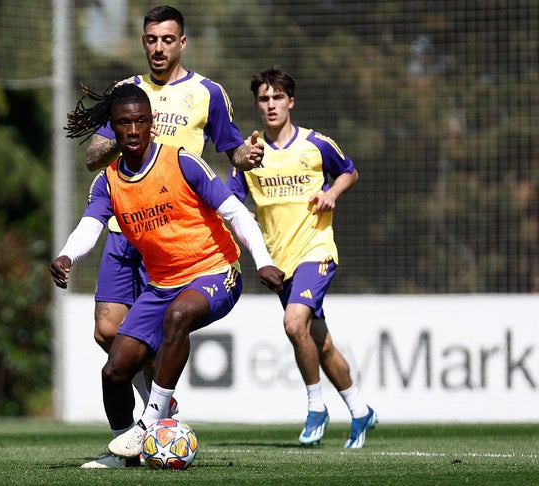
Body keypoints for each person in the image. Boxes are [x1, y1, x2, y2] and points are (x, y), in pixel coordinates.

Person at [55, 83, 284, 468]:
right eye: (123, 123)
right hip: (162, 284)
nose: (132, 130)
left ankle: (150, 422)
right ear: (112, 127)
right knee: (114, 371)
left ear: (152, 124)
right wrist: (66, 255)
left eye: (140, 122)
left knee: (178, 316)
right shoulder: (108, 181)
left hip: (215, 270)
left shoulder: (181, 162)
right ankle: (122, 453)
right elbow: (90, 226)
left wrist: (261, 259)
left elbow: (235, 212)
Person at [76, 5, 263, 421]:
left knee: (161, 326)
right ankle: (159, 402)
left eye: (167, 39)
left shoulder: (207, 93)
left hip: (174, 228)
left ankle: (155, 413)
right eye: (151, 39)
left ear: (182, 42)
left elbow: (231, 147)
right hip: (125, 225)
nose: (158, 48)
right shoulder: (127, 91)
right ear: (143, 42)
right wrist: (130, 134)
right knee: (106, 331)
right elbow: (92, 156)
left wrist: (246, 156)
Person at [226, 66, 377, 449]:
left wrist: (332, 195)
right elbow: (230, 206)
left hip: (317, 251)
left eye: (278, 97)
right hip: (280, 263)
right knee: (320, 343)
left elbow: (349, 172)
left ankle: (315, 407)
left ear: (291, 102)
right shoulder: (249, 156)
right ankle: (360, 411)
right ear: (258, 105)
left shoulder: (316, 144)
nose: (272, 104)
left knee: (294, 324)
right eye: (264, 98)